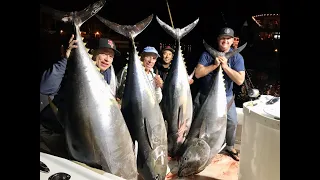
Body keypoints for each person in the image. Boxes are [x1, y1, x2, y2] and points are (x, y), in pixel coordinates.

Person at [40, 35, 121, 156]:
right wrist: (65, 60)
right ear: (93, 53)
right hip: (55, 132)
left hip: (79, 135)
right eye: (103, 53)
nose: (107, 59)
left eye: (111, 56)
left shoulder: (108, 74)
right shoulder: (73, 66)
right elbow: (45, 88)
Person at [194, 27, 245, 161]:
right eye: (223, 38)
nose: (225, 41)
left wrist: (226, 66)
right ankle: (194, 144)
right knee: (197, 121)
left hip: (225, 96)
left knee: (232, 121)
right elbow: (198, 74)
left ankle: (229, 146)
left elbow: (240, 80)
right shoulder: (207, 54)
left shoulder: (237, 57)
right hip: (204, 95)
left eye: (228, 39)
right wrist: (214, 66)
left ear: (233, 41)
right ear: (218, 40)